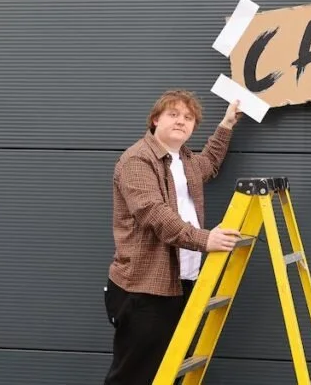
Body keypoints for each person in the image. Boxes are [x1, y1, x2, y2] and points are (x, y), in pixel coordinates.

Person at [103, 89, 245, 385]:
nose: (181, 121)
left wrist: (227, 124)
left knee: (167, 372)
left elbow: (210, 162)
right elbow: (154, 215)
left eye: (189, 117)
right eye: (173, 114)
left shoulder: (183, 160)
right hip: (145, 289)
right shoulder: (137, 161)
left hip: (182, 282)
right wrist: (205, 240)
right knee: (134, 376)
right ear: (155, 120)